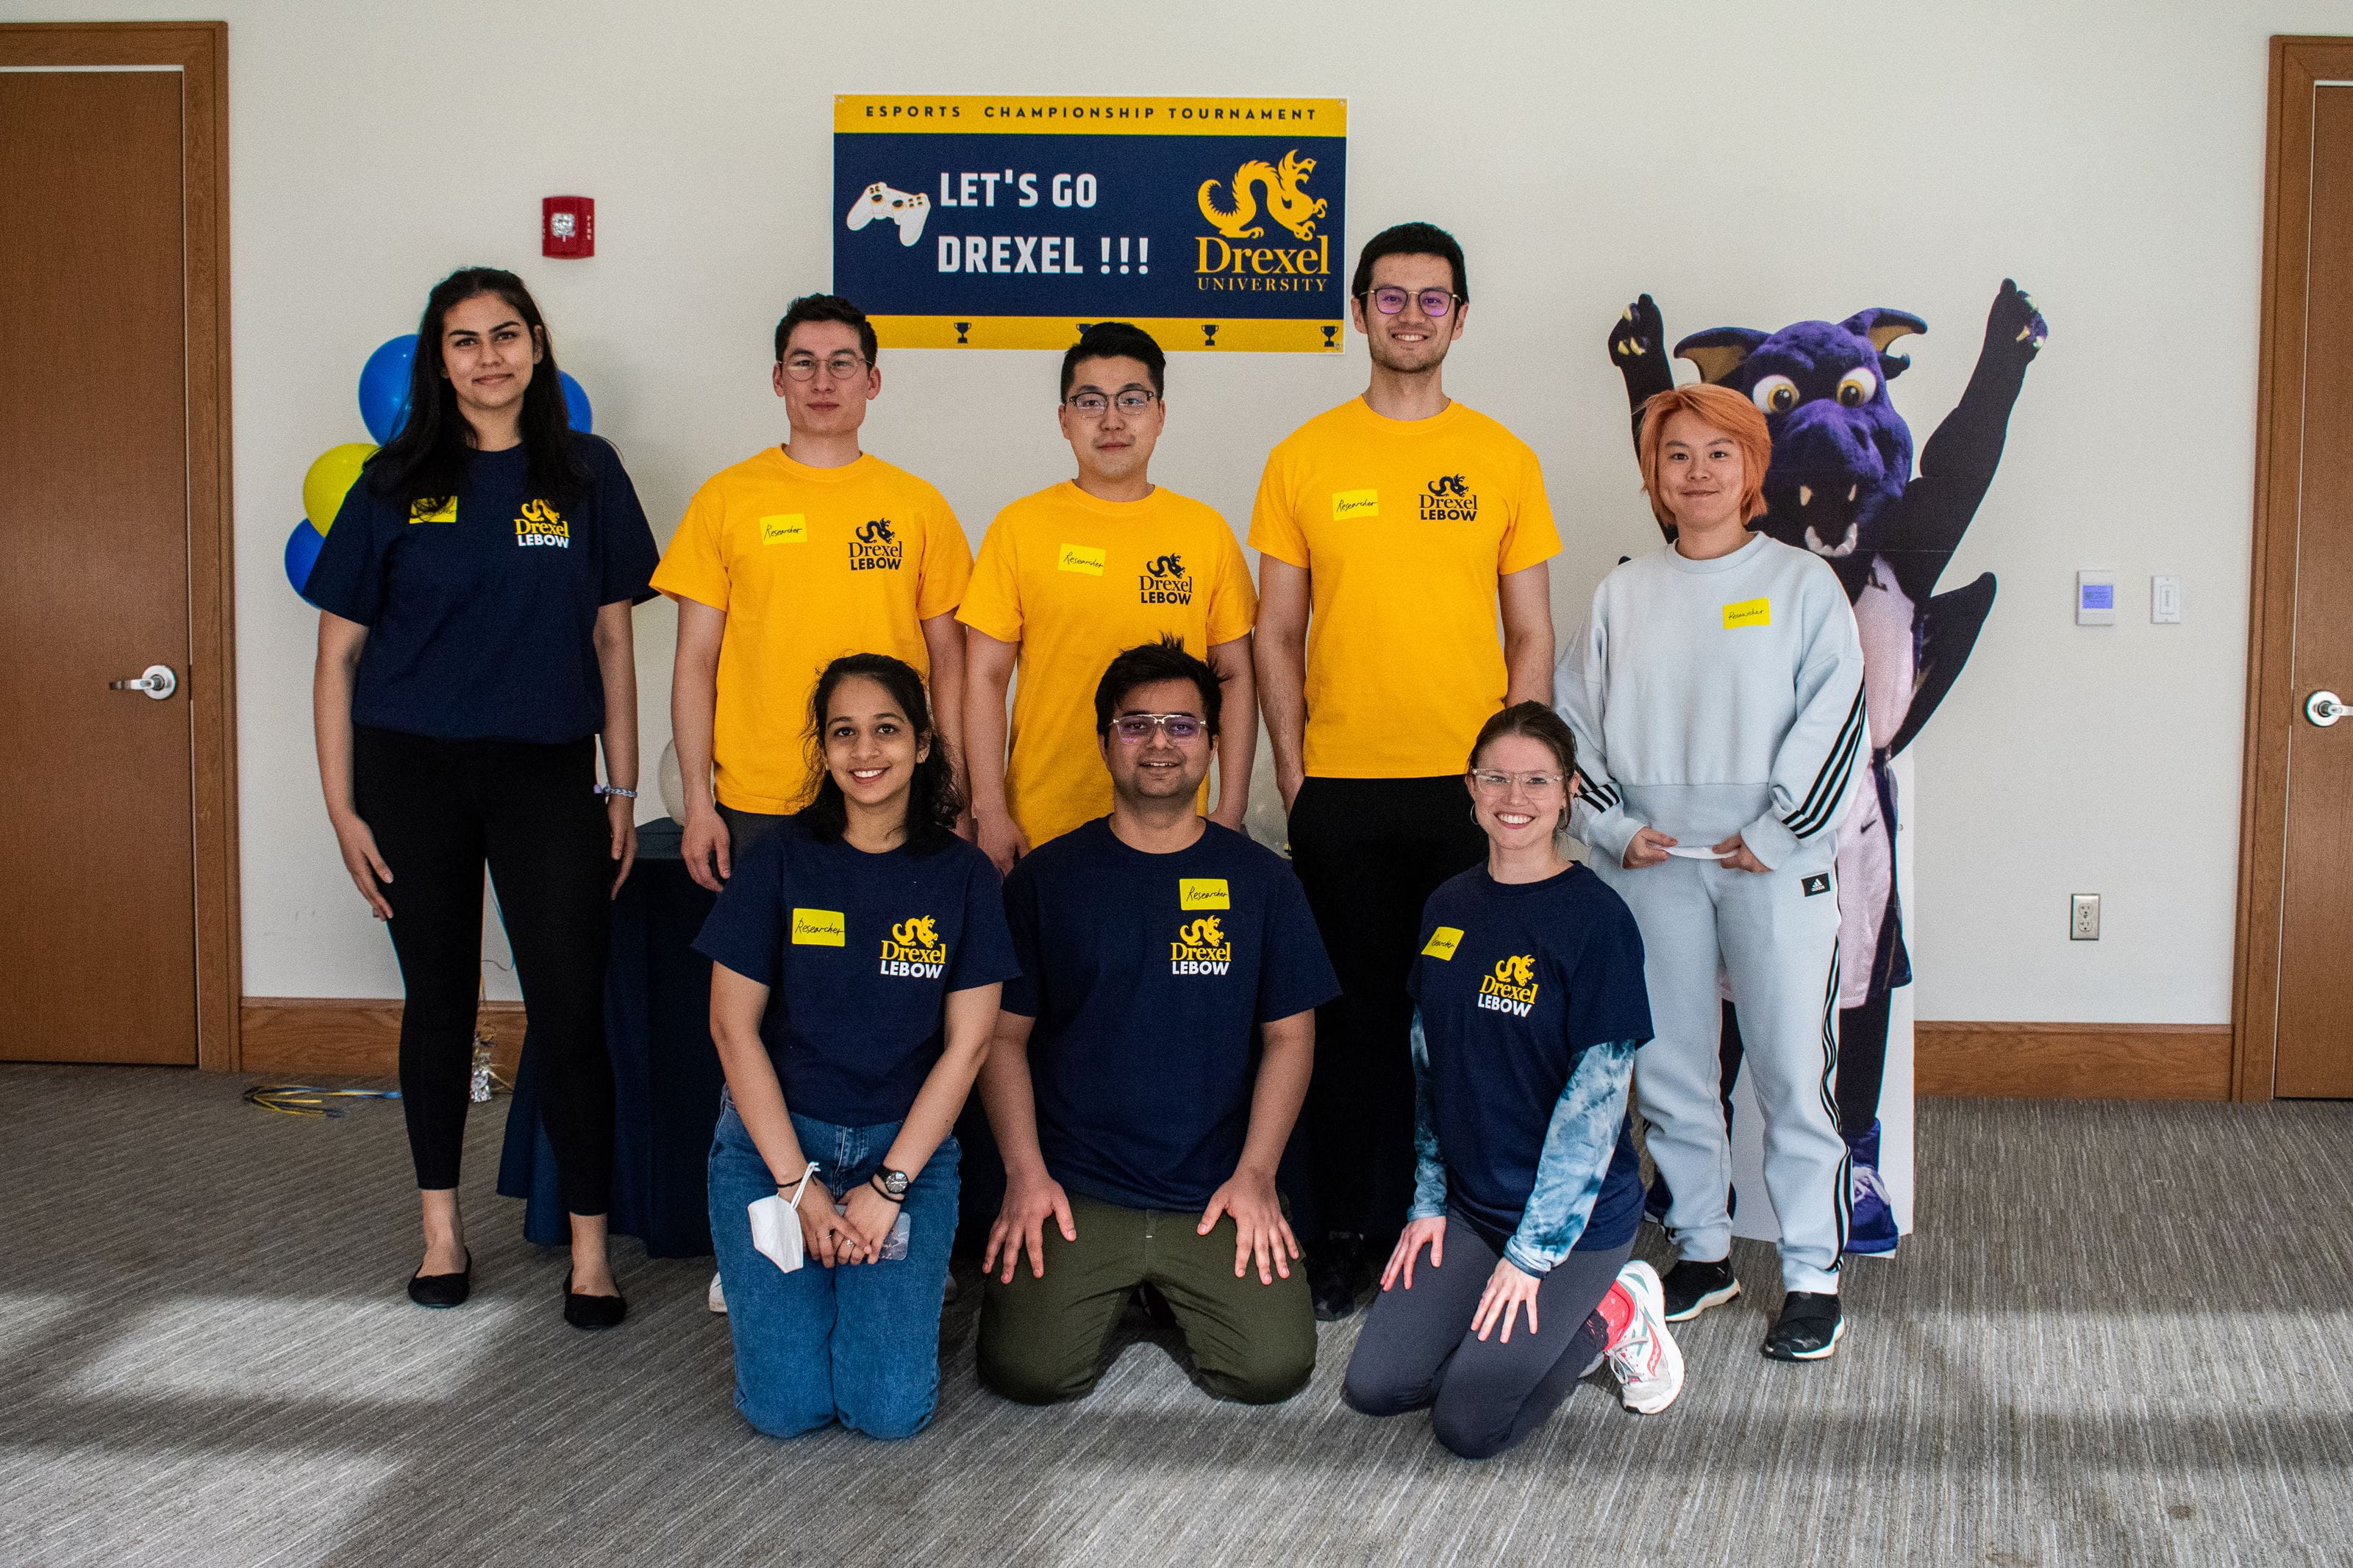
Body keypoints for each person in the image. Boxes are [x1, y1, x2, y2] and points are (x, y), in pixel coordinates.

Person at [307, 265, 659, 1327]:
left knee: (566, 1006)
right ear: (439, 359)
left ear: (537, 346)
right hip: (410, 774)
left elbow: (612, 641)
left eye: (507, 334)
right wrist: (341, 809)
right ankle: (442, 1232)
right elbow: (337, 662)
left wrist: (623, 783)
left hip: (547, 773)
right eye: (465, 341)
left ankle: (589, 1253)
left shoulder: (586, 472)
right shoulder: (391, 481)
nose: (489, 356)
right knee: (441, 1006)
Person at [1249, 221, 1562, 1320]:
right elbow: (1276, 636)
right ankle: (1349, 1231)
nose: (1413, 315)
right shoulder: (1303, 457)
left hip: (1469, 797)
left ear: (1461, 318)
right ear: (1358, 310)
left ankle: (1475, 1232)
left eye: (1435, 300)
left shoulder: (1503, 459)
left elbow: (1531, 637)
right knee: (1352, 1027)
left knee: (1476, 1020)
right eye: (1392, 297)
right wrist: (1295, 775)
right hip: (1340, 791)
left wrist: (1512, 784)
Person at [1554, 382, 1867, 1361]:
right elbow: (1575, 725)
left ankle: (1812, 1271)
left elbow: (1839, 718)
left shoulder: (1801, 586)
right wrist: (1612, 826)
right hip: (1654, 864)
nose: (1697, 472)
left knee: (1789, 1073)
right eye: (1677, 455)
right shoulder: (1624, 592)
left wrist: (1777, 832)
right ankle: (1702, 1249)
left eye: (1717, 454)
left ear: (1752, 470)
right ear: (1654, 474)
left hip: (1774, 864)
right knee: (1673, 1069)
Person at [975, 638, 1337, 1406]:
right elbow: (1001, 1040)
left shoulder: (1264, 884)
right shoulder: (1046, 881)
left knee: (1268, 1372)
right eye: (1135, 725)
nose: (1159, 743)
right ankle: (1131, 1285)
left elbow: (1289, 1037)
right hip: (1076, 1190)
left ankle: (1164, 1285)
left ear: (1211, 741)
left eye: (1181, 724)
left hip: (1214, 1189)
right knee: (1027, 1374)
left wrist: (1257, 1176)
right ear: (1104, 740)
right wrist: (1024, 1176)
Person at [1343, 704, 1683, 1458]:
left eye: (1535, 780)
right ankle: (1501, 1318)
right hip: (1472, 1207)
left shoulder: (1595, 921)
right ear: (1470, 787)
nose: (1513, 797)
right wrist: (1428, 1203)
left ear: (1567, 792)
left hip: (1572, 1223)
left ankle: (1613, 1310)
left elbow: (1592, 1115)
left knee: (1469, 1425)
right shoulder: (1447, 907)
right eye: (1495, 777)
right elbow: (1430, 1068)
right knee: (1377, 1388)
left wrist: (1532, 1258)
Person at [696, 654, 1017, 1439]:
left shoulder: (964, 876)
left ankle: (869, 1291)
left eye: (884, 730)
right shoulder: (777, 859)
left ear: (921, 742)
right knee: (783, 1411)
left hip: (900, 1156)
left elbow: (969, 1047)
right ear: (823, 747)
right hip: (773, 1152)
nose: (864, 751)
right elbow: (730, 1028)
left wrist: (890, 1185)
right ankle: (822, 1282)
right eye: (843, 733)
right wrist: (799, 1191)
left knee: (886, 1412)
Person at [654, 293, 972, 889]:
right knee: (761, 977)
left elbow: (951, 661)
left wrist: (954, 796)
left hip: (888, 791)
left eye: (842, 362)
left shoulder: (919, 505)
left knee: (888, 973)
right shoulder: (724, 500)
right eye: (803, 362)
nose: (822, 380)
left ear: (873, 380)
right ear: (778, 378)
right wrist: (699, 804)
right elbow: (695, 661)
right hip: (758, 798)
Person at [961, 321, 1257, 873]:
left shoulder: (1204, 531)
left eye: (1133, 399)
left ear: (1160, 415)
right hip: (1043, 822)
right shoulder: (1019, 527)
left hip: (1176, 824)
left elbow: (1234, 675)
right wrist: (991, 810)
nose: (1113, 419)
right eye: (1091, 400)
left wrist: (1231, 806)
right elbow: (984, 678)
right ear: (1064, 419)